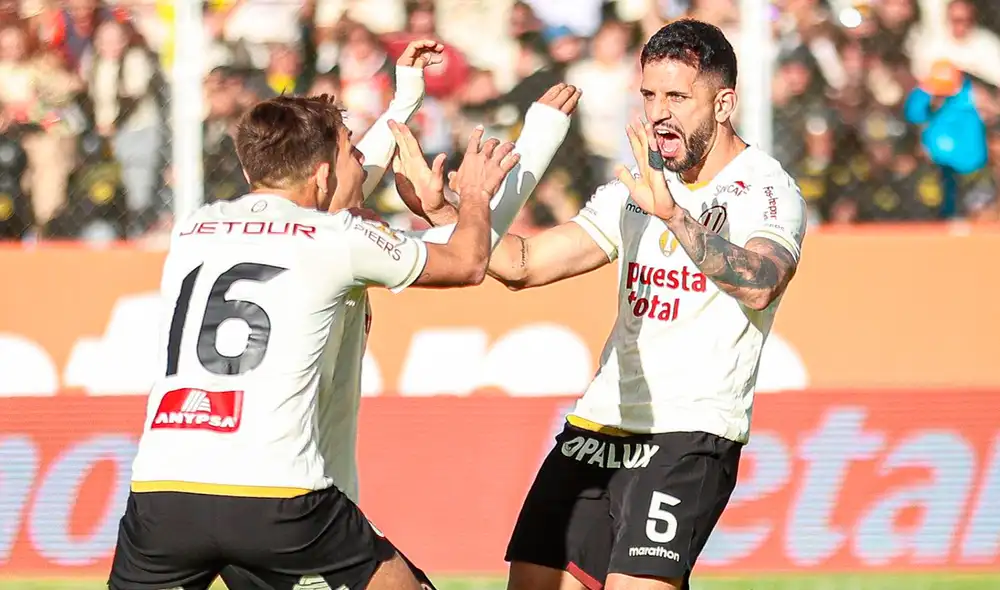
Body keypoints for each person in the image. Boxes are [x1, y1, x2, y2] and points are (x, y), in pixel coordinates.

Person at [107, 33, 581, 589]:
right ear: (323, 175)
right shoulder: (339, 239)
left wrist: (404, 100)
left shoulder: (196, 230)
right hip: (281, 499)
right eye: (352, 151)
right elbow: (468, 258)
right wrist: (470, 192)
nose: (365, 161)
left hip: (163, 493)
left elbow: (336, 190)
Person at [401, 19, 807, 590]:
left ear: (723, 104)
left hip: (687, 433)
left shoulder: (766, 189)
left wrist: (672, 215)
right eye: (648, 95)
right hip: (597, 425)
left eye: (676, 97)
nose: (658, 111)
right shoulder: (636, 184)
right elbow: (524, 264)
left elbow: (761, 281)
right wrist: (446, 213)